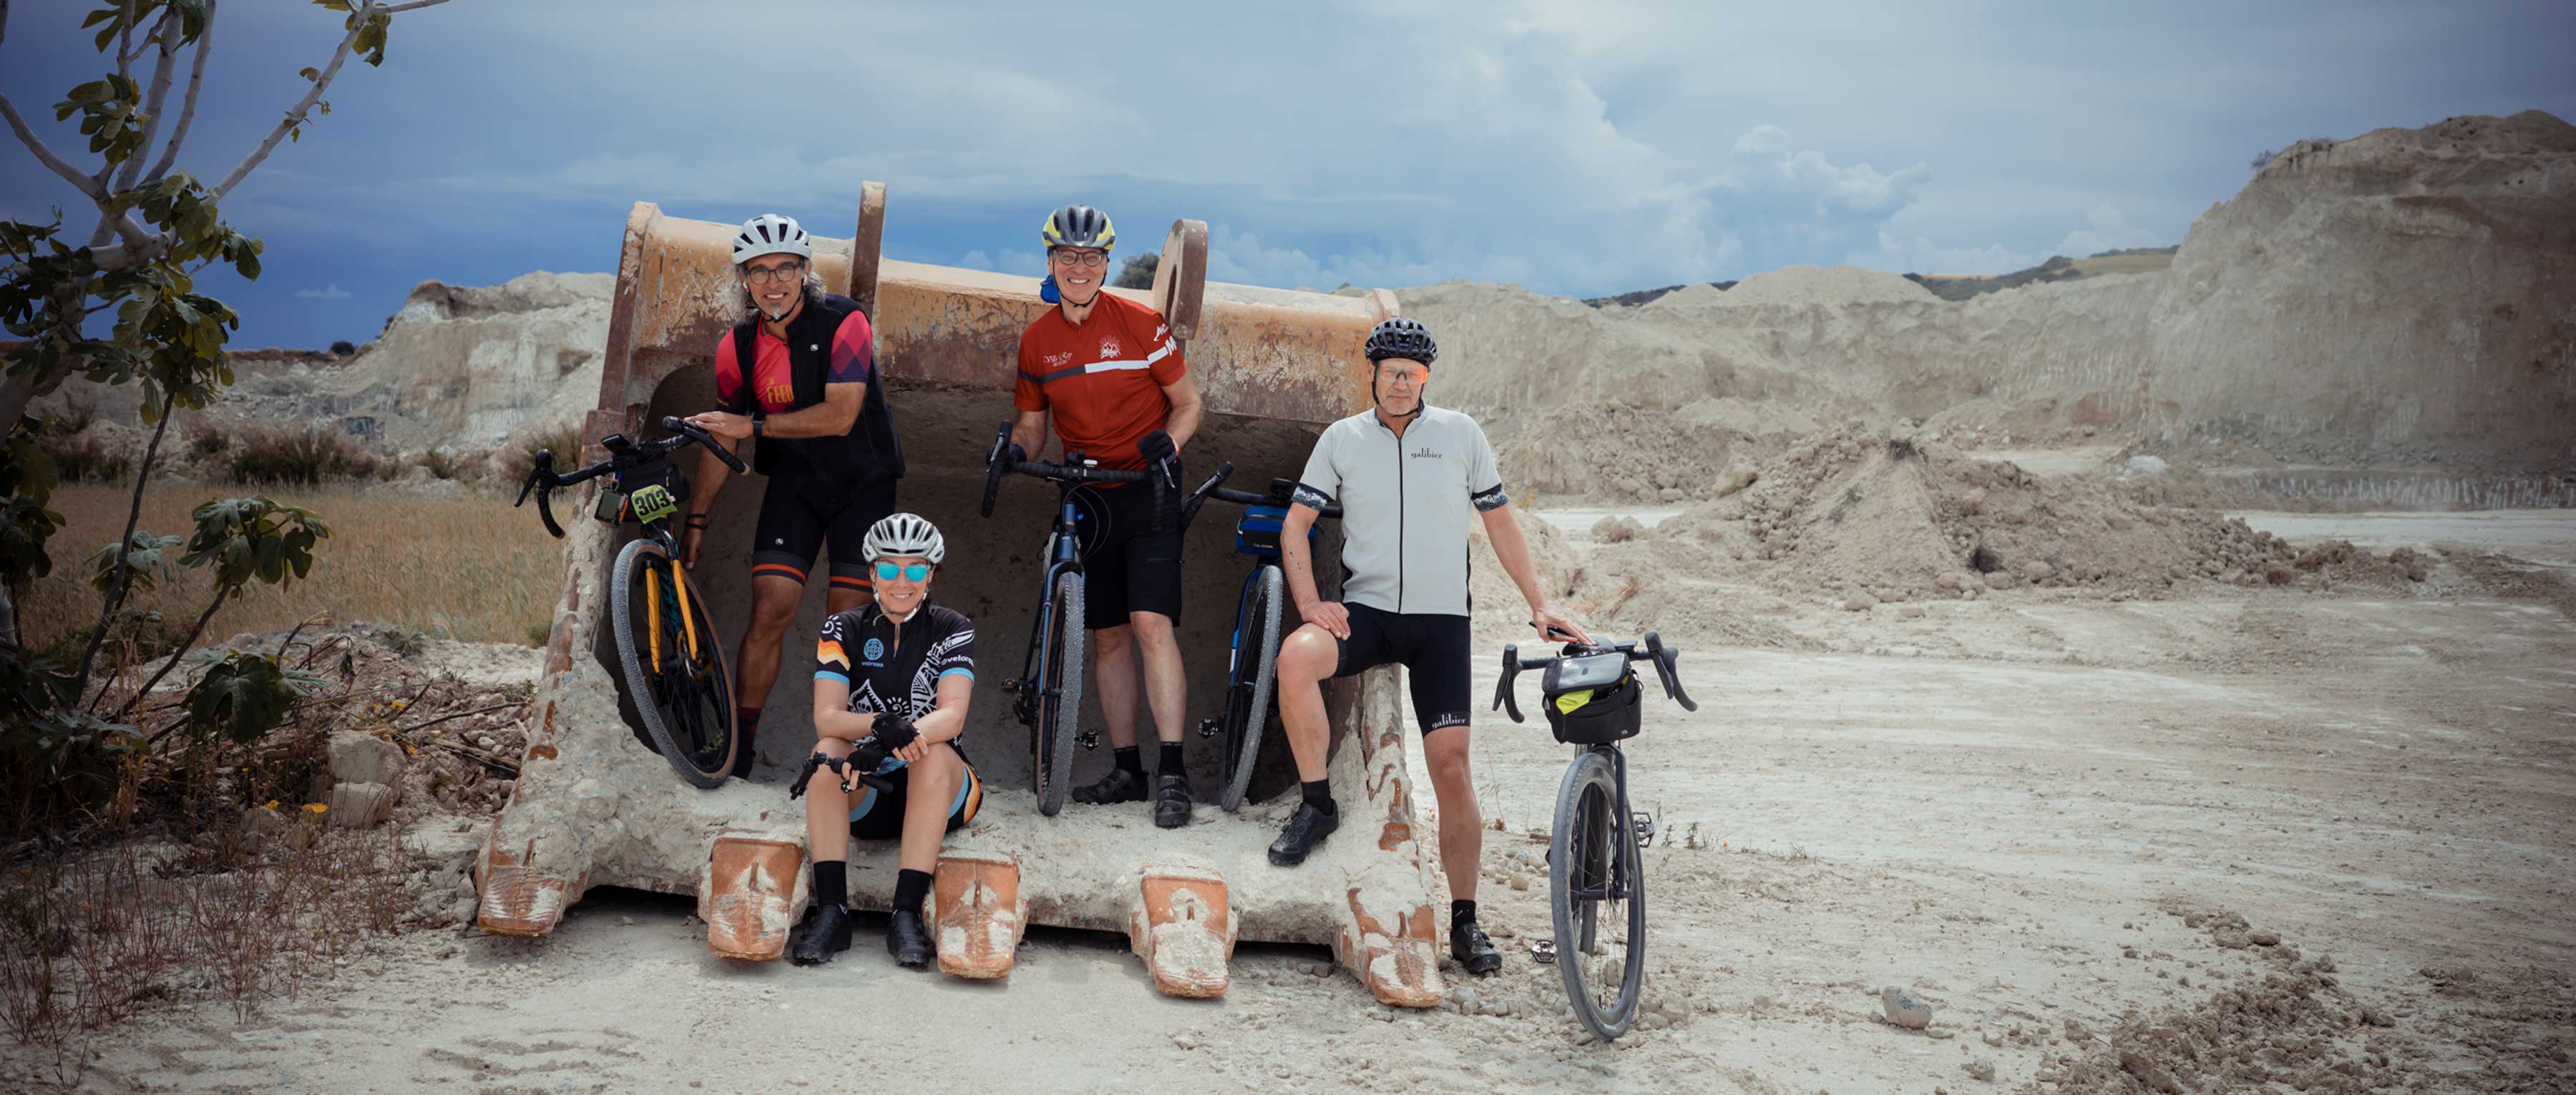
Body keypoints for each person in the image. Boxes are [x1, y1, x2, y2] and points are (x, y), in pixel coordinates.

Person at [1265, 316, 1591, 976]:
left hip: (1441, 623)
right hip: (1368, 615)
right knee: (1295, 657)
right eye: (1392, 373)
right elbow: (1295, 526)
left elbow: (1500, 522)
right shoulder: (1342, 439)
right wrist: (1309, 604)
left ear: (1426, 378)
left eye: (1413, 375)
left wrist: (1539, 603)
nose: (1401, 385)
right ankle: (1317, 805)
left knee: (1453, 767)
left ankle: (1465, 921)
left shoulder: (1460, 434)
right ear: (1372, 374)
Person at [993, 203, 1204, 828]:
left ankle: (1173, 772)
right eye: (1068, 257)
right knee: (1108, 635)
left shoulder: (1140, 323)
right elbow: (1033, 426)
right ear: (1051, 262)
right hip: (1087, 493)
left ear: (1107, 264)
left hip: (1148, 486)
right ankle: (1128, 770)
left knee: (1150, 623)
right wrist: (1014, 452)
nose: (1079, 268)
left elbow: (1188, 405)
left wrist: (1170, 444)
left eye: (1090, 258)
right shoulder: (1038, 341)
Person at [682, 213, 905, 780]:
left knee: (845, 622)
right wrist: (697, 520)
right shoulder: (737, 347)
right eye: (759, 271)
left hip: (863, 484)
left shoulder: (846, 321)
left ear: (806, 272)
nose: (773, 282)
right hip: (795, 484)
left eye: (785, 268)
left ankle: (839, 752)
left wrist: (755, 426)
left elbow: (841, 414)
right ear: (744, 280)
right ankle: (740, 751)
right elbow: (722, 435)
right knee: (769, 607)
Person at [788, 513, 982, 967]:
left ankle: (906, 915)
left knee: (933, 754)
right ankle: (832, 914)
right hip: (867, 791)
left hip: (941, 792)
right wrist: (878, 724)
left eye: (916, 569)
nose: (902, 581)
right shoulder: (841, 628)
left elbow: (952, 716)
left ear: (930, 574)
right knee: (824, 754)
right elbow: (827, 718)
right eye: (890, 568)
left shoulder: (953, 627)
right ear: (872, 573)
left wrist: (895, 741)